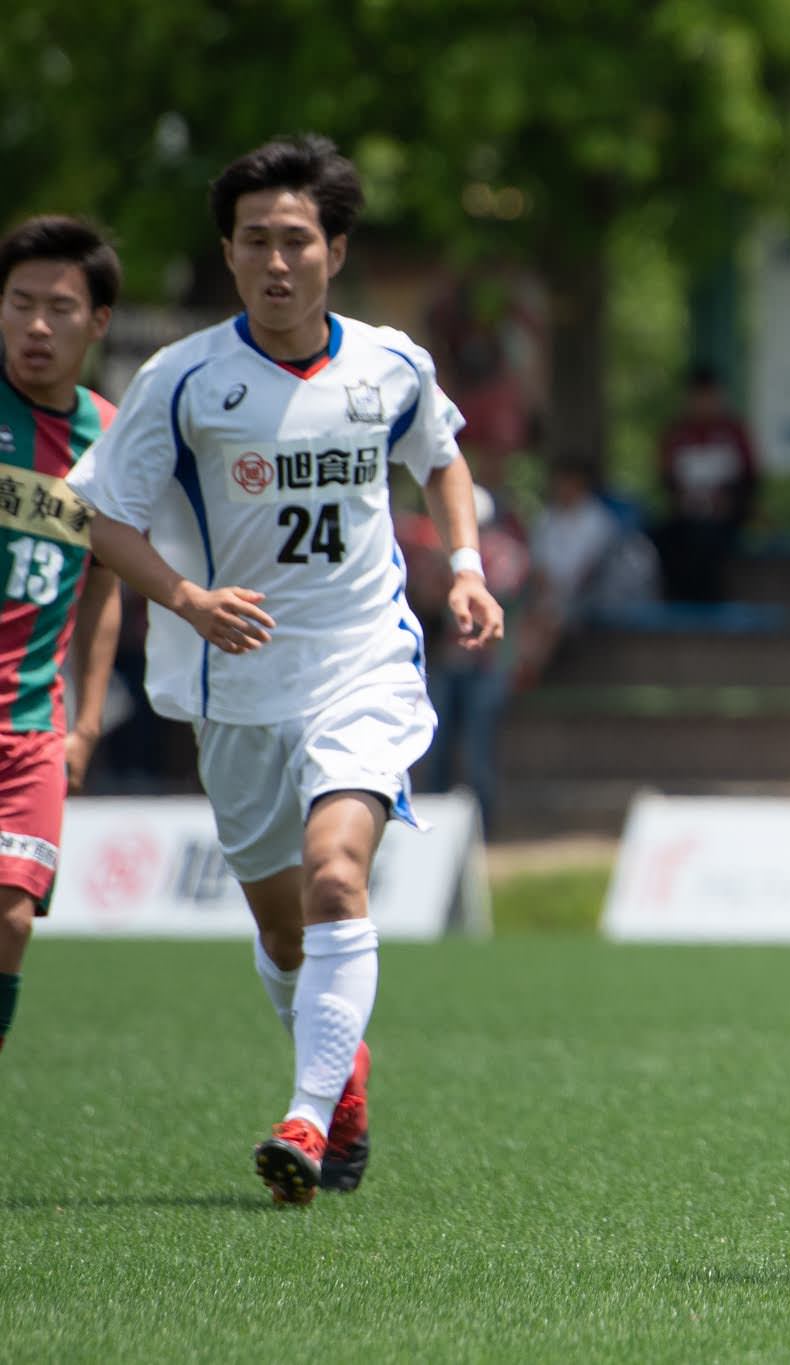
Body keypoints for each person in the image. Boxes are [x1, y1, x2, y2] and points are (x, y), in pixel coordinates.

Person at [65, 135, 505, 1204]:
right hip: (236, 688)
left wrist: (466, 569)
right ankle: (340, 1081)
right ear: (227, 252)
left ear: (335, 251)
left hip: (362, 662)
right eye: (254, 239)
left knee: (336, 874)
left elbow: (442, 458)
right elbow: (100, 517)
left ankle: (304, 1116)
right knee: (281, 928)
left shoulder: (390, 365)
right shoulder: (183, 381)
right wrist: (187, 599)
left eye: (296, 239)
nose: (276, 260)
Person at [0, 216, 124, 1057]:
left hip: (31, 727)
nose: (37, 325)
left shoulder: (110, 440)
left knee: (11, 917)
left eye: (59, 307)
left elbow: (105, 584)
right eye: (19, 303)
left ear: (97, 321)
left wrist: (87, 722)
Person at [402, 485, 529, 837]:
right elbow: (424, 597)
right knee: (434, 744)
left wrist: (455, 573)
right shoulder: (436, 554)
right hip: (447, 662)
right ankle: (433, 828)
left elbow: (495, 595)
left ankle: (483, 831)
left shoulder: (505, 551)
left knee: (478, 749)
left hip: (489, 664)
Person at [654, 364, 757, 603]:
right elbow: (666, 478)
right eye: (698, 397)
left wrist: (729, 503)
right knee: (664, 538)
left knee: (706, 540)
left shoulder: (734, 432)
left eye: (710, 397)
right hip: (686, 513)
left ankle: (709, 602)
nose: (704, 404)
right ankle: (676, 601)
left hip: (727, 515)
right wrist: (683, 500)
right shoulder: (677, 434)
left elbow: (750, 478)